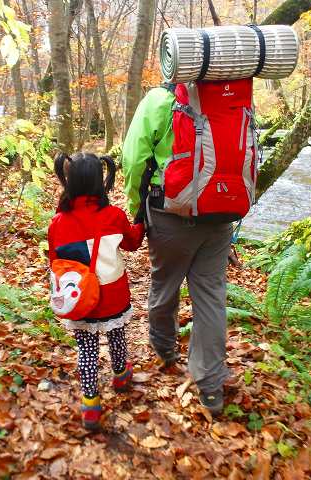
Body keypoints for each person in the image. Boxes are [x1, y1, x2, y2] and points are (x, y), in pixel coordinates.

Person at [122, 85, 234, 415]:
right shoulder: (229, 98)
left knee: (165, 283)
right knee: (212, 297)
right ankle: (211, 388)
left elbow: (134, 159)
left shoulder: (160, 100)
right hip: (219, 215)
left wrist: (137, 210)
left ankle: (164, 349)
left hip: (169, 212)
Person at [48, 152, 145, 430]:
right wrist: (141, 222)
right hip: (113, 295)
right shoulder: (114, 216)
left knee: (86, 349)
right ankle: (121, 375)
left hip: (80, 297)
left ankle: (90, 404)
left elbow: (55, 262)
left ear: (70, 181)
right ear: (100, 181)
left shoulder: (58, 223)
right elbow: (132, 243)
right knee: (116, 334)